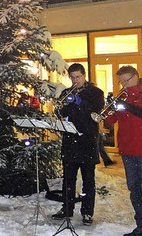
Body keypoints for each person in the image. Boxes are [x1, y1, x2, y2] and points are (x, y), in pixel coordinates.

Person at [105, 65, 142, 236]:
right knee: (135, 190)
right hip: (127, 149)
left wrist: (126, 105)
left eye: (126, 80)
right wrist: (108, 108)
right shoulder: (122, 96)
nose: (124, 85)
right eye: (121, 82)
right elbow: (110, 121)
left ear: (136, 77)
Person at [51, 63, 104, 226]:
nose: (75, 81)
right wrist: (59, 109)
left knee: (88, 179)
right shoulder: (67, 92)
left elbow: (95, 111)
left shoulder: (96, 93)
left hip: (87, 140)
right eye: (72, 77)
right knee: (68, 178)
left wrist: (78, 101)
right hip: (70, 141)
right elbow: (61, 112)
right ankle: (67, 209)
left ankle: (87, 212)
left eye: (78, 77)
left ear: (84, 76)